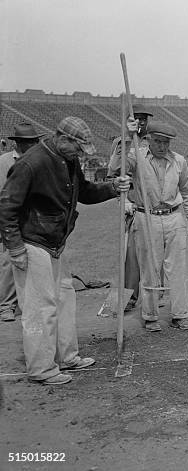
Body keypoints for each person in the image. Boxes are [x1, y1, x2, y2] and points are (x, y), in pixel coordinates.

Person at [0, 117, 131, 385]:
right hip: (31, 243)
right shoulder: (30, 163)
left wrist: (112, 188)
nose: (80, 154)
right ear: (63, 139)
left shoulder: (67, 159)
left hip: (55, 243)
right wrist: (14, 247)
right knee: (40, 308)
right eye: (78, 149)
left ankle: (66, 356)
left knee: (64, 299)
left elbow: (83, 191)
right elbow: (6, 208)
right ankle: (42, 369)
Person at [110, 121, 188, 332]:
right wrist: (127, 137)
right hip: (146, 217)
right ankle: (150, 316)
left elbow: (187, 191)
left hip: (174, 217)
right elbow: (114, 168)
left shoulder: (179, 161)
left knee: (177, 269)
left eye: (166, 142)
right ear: (149, 139)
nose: (162, 146)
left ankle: (180, 314)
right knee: (149, 269)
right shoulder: (136, 157)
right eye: (158, 141)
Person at [109, 103, 154, 311]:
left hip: (154, 206)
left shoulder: (154, 139)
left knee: (155, 254)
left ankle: (155, 296)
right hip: (134, 206)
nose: (142, 121)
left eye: (145, 118)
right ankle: (128, 298)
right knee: (131, 257)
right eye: (138, 118)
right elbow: (116, 171)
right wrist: (124, 200)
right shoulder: (122, 141)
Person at [0, 123, 45, 322]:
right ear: (18, 143)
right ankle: (6, 306)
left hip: (33, 218)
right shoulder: (4, 162)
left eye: (36, 141)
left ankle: (28, 302)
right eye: (29, 142)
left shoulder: (39, 160)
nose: (34, 144)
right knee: (9, 262)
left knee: (35, 261)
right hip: (11, 217)